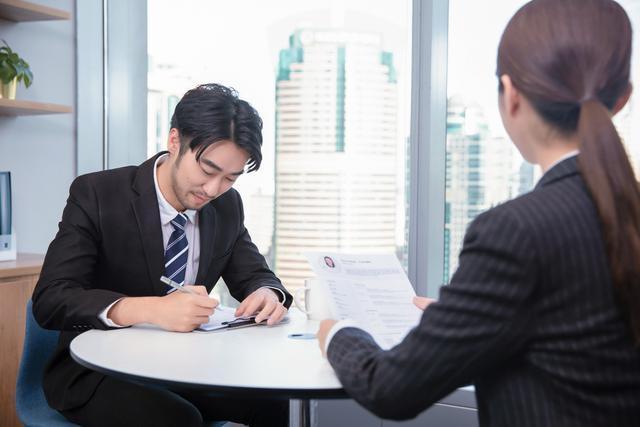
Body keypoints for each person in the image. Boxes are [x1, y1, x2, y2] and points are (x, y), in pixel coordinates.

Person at [317, 0, 640, 425]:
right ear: (621, 99)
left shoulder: (516, 230)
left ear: (511, 95)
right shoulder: (622, 212)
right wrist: (466, 318)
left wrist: (338, 333)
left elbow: (389, 388)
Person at [32, 83, 292, 427]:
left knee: (276, 402)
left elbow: (253, 273)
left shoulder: (227, 206)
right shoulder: (98, 194)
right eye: (208, 170)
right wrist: (152, 309)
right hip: (99, 371)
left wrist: (266, 293)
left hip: (185, 366)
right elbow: (51, 300)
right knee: (176, 419)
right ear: (174, 141)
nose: (213, 190)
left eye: (230, 178)